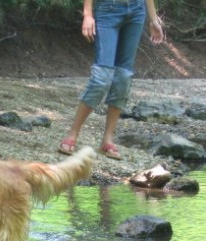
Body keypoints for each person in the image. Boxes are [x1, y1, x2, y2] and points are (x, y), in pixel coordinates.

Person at [58, 0, 164, 160]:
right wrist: (88, 15)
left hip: (136, 11)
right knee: (101, 78)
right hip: (107, 9)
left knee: (123, 77)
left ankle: (107, 140)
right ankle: (72, 134)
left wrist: (153, 19)